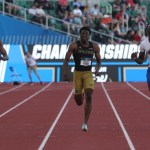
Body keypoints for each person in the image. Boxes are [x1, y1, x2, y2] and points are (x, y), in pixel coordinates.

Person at [63, 26, 101, 131]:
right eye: (82, 34)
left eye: (86, 34)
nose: (84, 36)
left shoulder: (95, 47)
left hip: (88, 74)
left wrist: (97, 70)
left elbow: (99, 61)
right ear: (80, 35)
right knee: (79, 102)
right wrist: (65, 74)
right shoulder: (74, 46)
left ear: (89, 36)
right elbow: (66, 60)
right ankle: (79, 94)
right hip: (78, 74)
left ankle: (85, 123)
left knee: (89, 96)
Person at [131, 25, 150, 91]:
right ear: (147, 32)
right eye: (149, 30)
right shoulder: (143, 44)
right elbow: (141, 60)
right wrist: (135, 58)